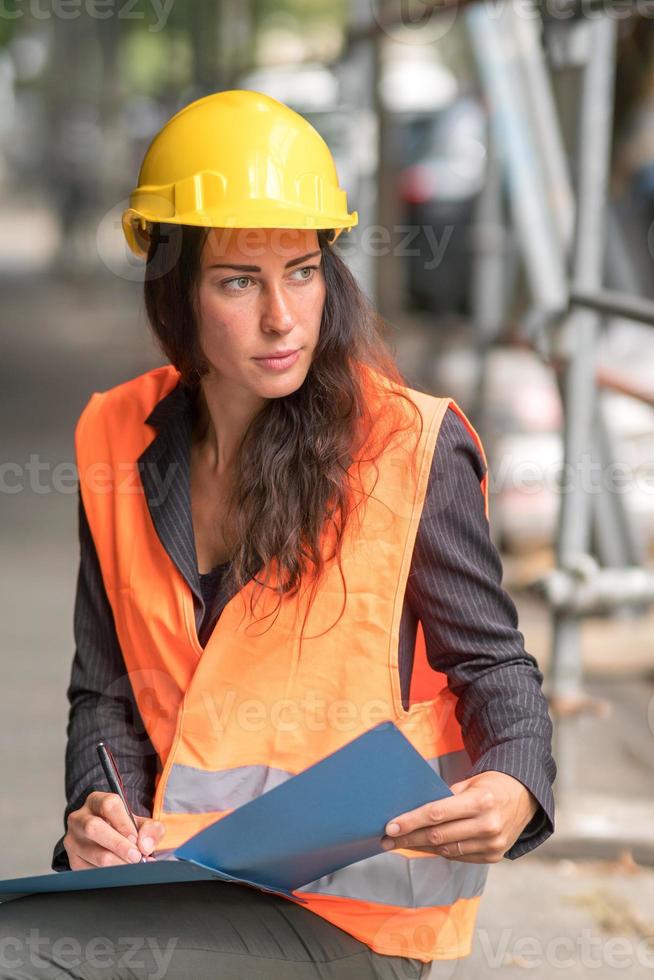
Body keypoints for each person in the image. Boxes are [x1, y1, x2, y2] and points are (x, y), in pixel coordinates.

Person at [0, 90, 556, 980]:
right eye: (237, 281)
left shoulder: (409, 446)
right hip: (178, 879)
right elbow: (104, 692)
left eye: (302, 270)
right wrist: (100, 802)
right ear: (174, 293)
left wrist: (516, 787)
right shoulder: (114, 435)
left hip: (353, 920)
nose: (282, 317)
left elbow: (497, 669)